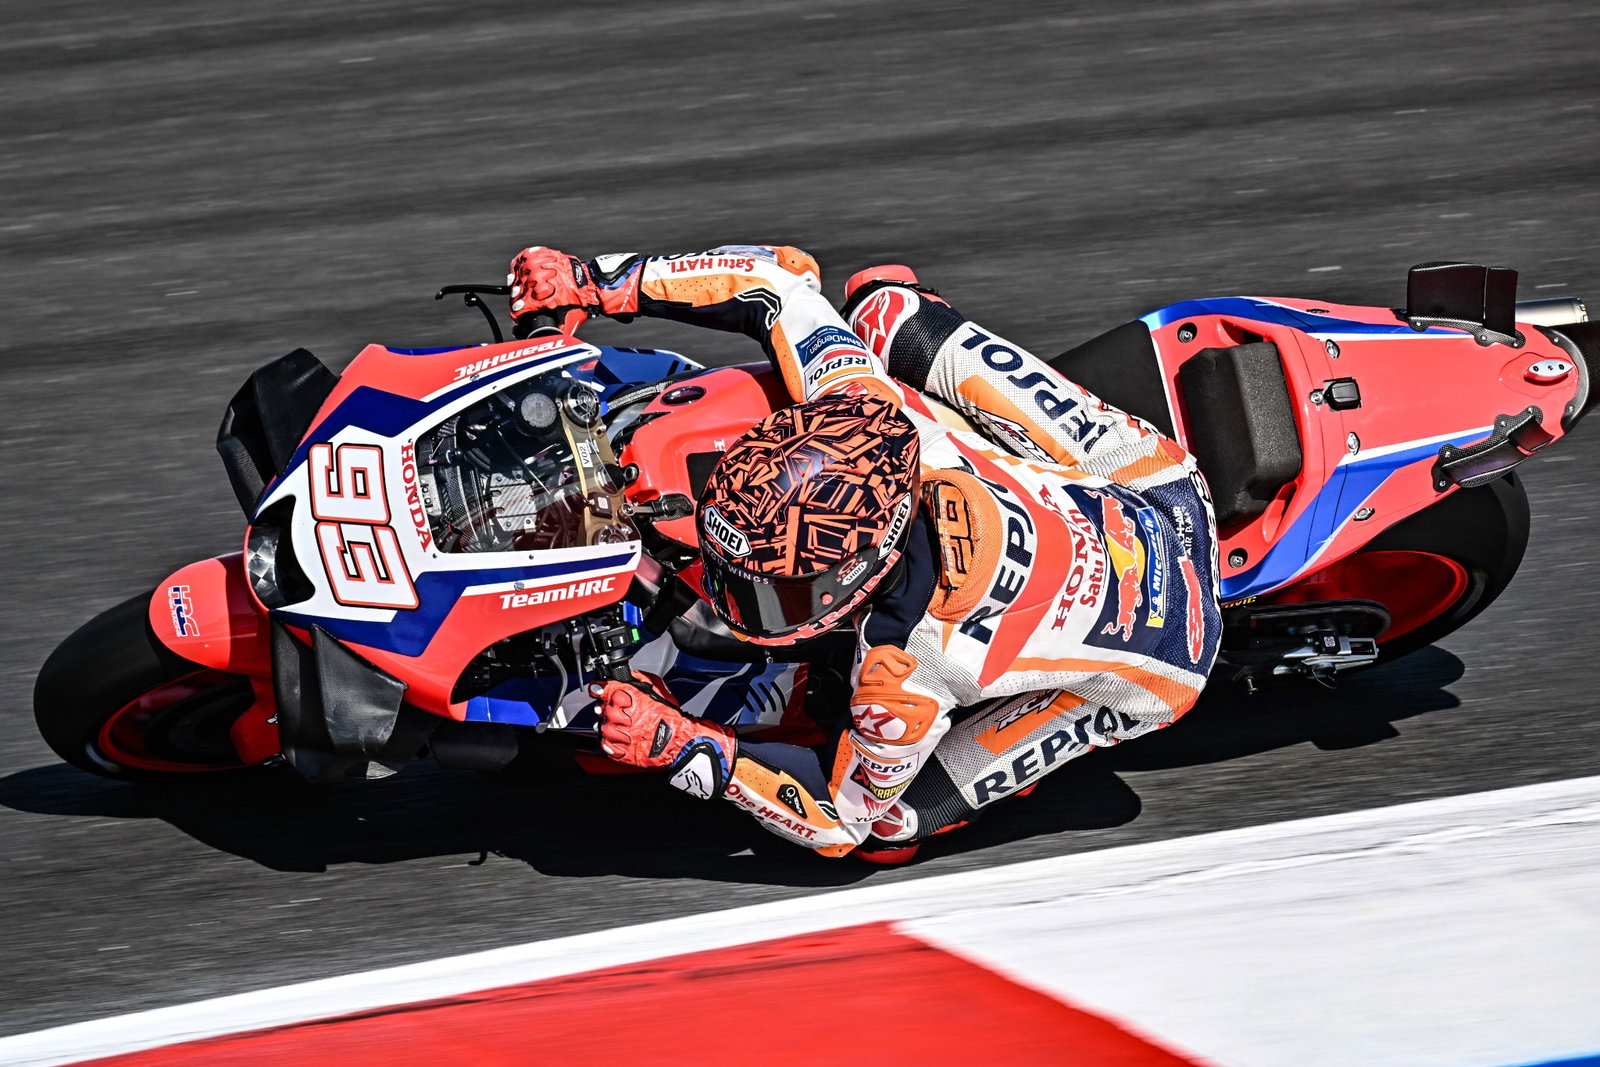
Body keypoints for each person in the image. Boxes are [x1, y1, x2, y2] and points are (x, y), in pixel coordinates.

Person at [506, 244, 1221, 861]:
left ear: (859, 577)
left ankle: (1083, 705)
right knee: (882, 308)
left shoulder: (903, 677)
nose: (735, 597)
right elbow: (778, 280)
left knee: (889, 824)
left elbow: (836, 822)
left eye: (772, 590)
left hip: (1167, 657)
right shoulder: (867, 403)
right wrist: (596, 280)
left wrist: (689, 746)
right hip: (1148, 479)